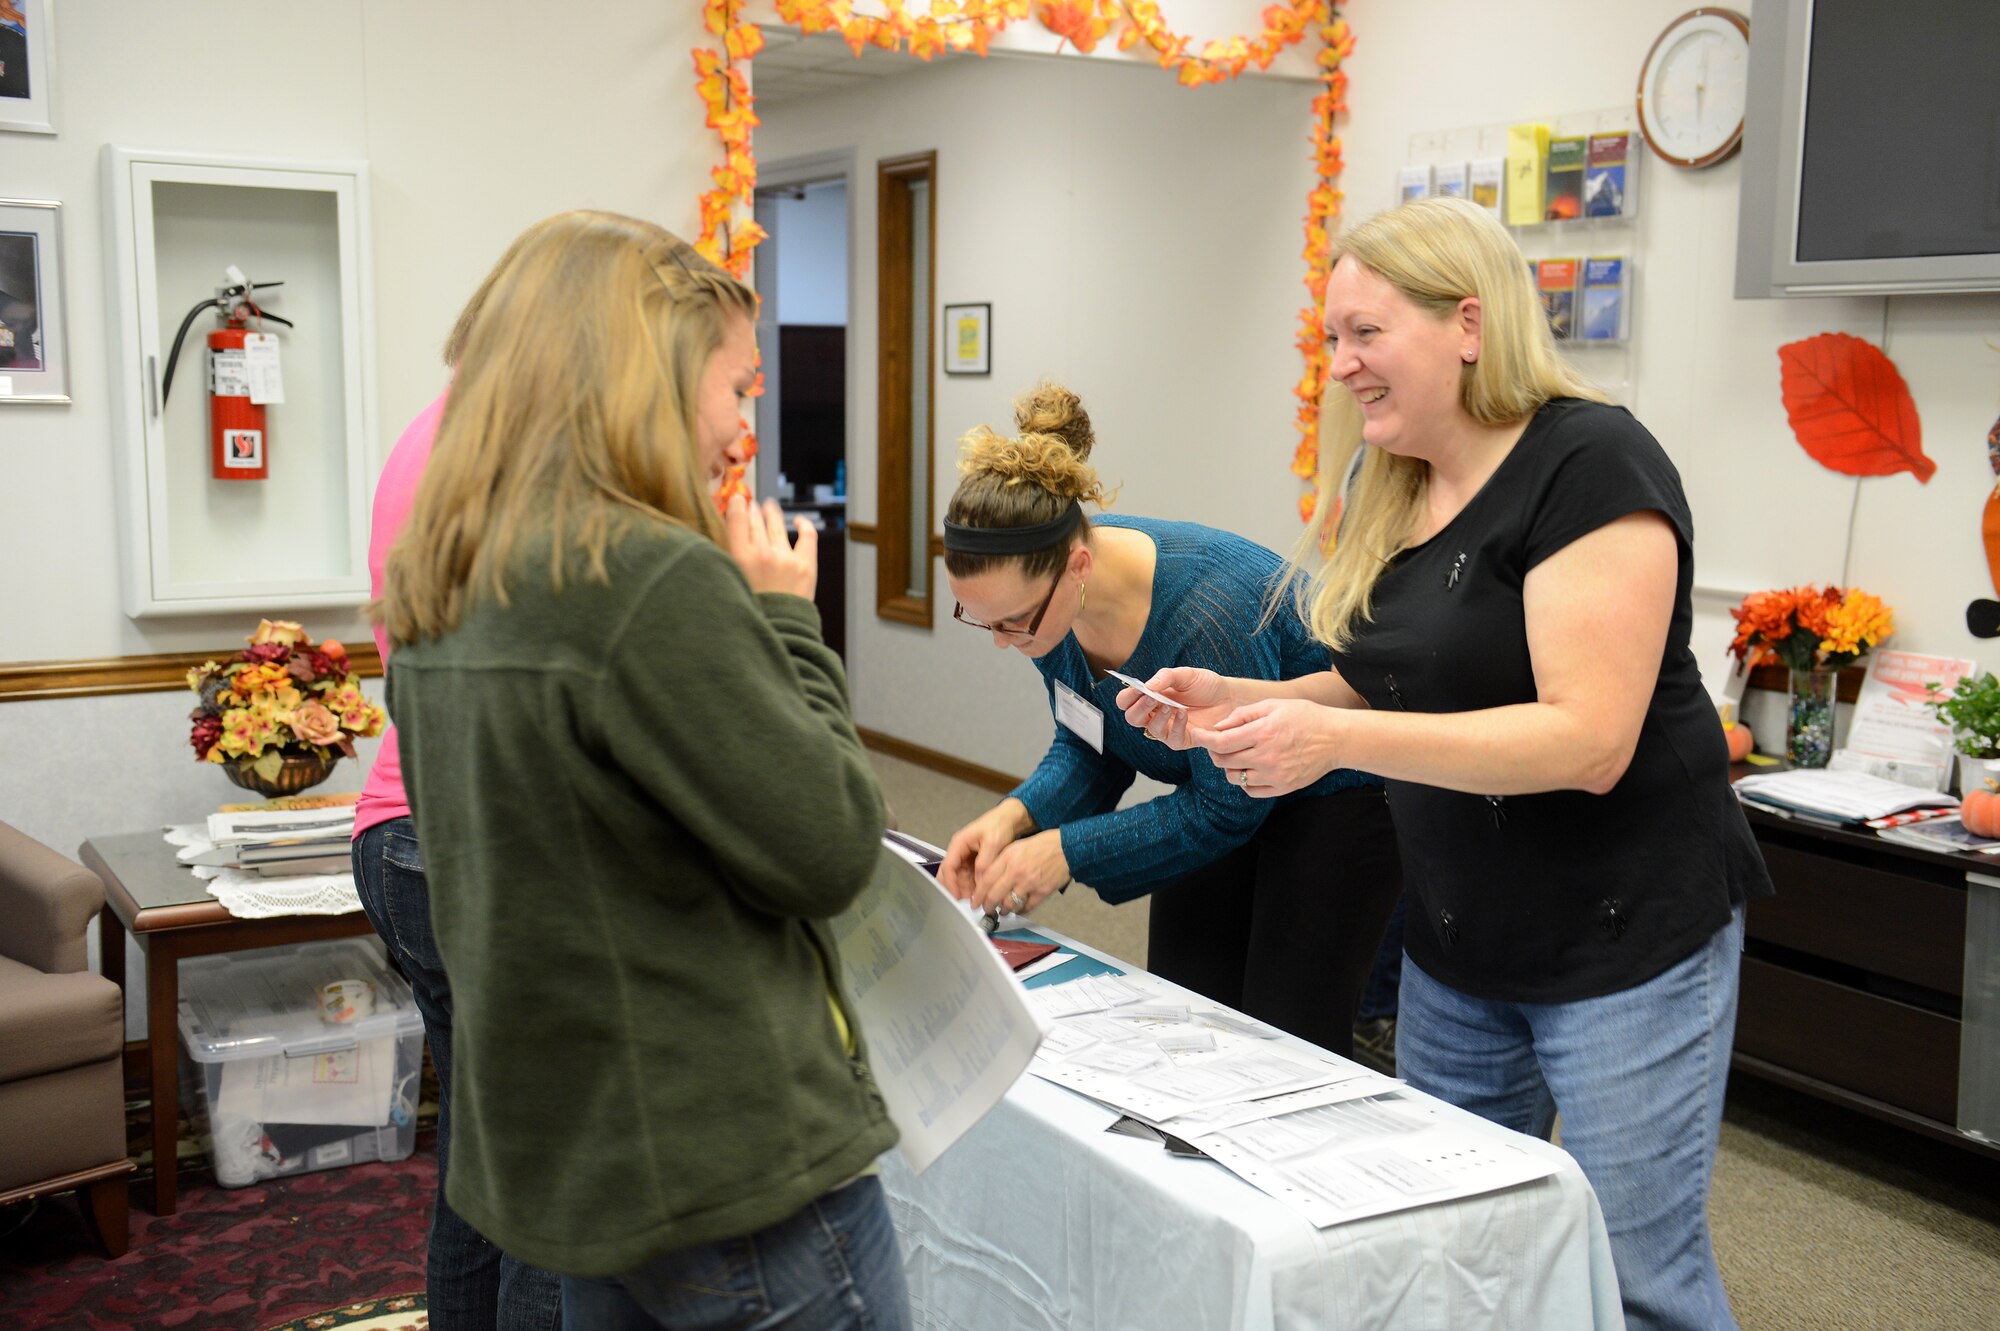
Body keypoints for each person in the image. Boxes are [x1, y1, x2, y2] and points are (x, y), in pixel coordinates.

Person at [1120, 195, 1769, 1331]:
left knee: (1635, 1284)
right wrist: (1254, 699)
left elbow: (1586, 737)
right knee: (1452, 1249)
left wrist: (1334, 739)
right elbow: (1389, 677)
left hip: (1625, 937)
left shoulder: (1589, 461)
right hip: (1459, 939)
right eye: (1329, 338)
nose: (1339, 367)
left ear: (1467, 323)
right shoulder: (1398, 481)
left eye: (1363, 333)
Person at [375, 210, 906, 1330]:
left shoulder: (445, 580)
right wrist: (786, 623)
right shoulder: (646, 576)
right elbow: (826, 844)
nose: (742, 428)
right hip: (724, 1154)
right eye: (736, 388)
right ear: (646, 378)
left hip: (585, 1154)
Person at [937, 384, 1401, 1059]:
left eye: (1013, 622)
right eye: (981, 621)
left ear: (1078, 567)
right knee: (1186, 1010)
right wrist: (1014, 817)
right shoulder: (1049, 606)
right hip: (1221, 788)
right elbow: (1090, 743)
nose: (1003, 642)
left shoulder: (1209, 613)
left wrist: (1064, 850)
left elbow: (1225, 812)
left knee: (1286, 1036)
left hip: (1336, 795)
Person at [351, 240, 565, 1329]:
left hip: (397, 830)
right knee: (536, 1177)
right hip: (459, 840)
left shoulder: (428, 433)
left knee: (481, 1158)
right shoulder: (507, 457)